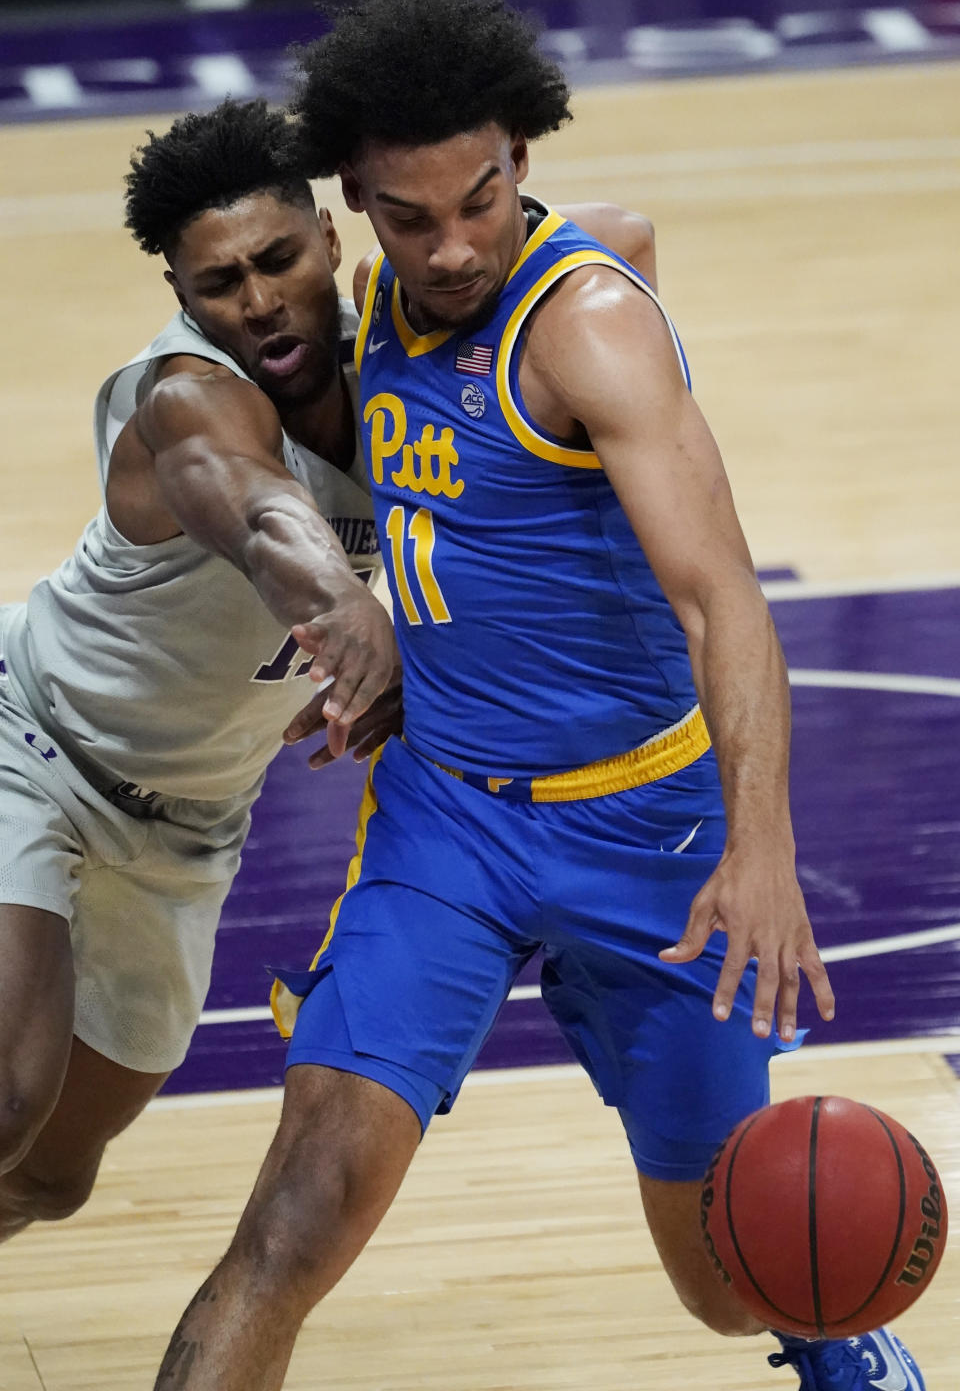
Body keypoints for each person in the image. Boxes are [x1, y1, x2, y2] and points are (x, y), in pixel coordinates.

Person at [152, 0, 924, 1391]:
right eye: (411, 215)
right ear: (354, 207)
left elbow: (723, 598)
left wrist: (764, 849)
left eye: (486, 198)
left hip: (655, 840)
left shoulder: (588, 329)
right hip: (448, 823)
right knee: (295, 1217)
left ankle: (828, 1324)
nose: (453, 248)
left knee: (722, 1281)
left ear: (525, 158)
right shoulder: (368, 304)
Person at [0, 93, 657, 1250]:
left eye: (275, 260)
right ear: (181, 301)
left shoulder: (403, 344)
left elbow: (628, 232)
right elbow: (259, 515)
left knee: (49, 1178)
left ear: (334, 237)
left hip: (192, 829)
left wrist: (441, 198)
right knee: (7, 1091)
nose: (255, 301)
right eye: (219, 285)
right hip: (34, 747)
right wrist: (351, 608)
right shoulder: (182, 401)